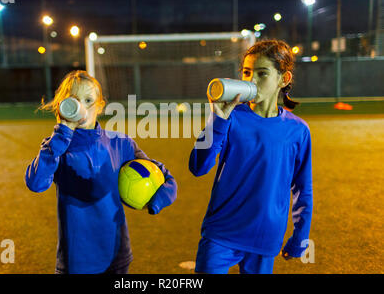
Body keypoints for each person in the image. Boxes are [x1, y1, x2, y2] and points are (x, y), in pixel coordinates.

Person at [25, 70, 177, 274]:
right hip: (76, 261)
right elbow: (36, 183)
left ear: (100, 105)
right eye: (74, 100)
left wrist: (157, 200)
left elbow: (162, 175)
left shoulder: (120, 143)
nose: (82, 107)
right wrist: (62, 135)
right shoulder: (56, 148)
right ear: (64, 106)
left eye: (88, 100)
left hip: (116, 255)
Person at [189, 40, 313, 274]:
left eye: (261, 73)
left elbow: (302, 188)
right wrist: (217, 121)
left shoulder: (298, 130)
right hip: (221, 233)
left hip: (265, 236)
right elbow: (198, 166)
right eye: (247, 72)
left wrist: (301, 236)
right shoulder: (230, 117)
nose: (251, 80)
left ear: (283, 79)